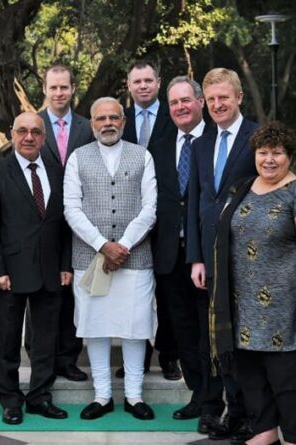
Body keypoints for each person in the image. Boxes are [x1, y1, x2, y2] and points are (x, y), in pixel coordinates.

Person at [210, 122, 296, 445]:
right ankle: (264, 432)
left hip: (283, 306)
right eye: (263, 152)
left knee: (286, 377)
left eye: (277, 153)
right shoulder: (244, 188)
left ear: (289, 155)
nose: (269, 159)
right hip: (242, 302)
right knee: (250, 370)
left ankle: (293, 438)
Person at [64, 97, 157, 421]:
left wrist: (124, 245)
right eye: (101, 118)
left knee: (136, 327)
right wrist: (103, 245)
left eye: (113, 117)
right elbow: (71, 208)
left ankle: (134, 396)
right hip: (90, 258)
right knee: (96, 326)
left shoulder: (142, 155)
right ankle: (102, 395)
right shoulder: (78, 158)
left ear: (124, 120)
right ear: (92, 124)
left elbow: (150, 208)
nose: (107, 123)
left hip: (136, 257)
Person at [185, 67, 259, 440]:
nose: (217, 105)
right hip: (209, 262)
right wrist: (196, 257)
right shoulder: (200, 144)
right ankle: (214, 409)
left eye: (223, 98)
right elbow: (196, 203)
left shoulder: (257, 138)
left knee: (241, 339)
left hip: (246, 259)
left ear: (239, 97)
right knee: (210, 339)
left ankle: (243, 413)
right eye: (211, 99)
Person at [0, 112, 72, 425]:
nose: (28, 137)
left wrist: (66, 264)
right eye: (22, 130)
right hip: (9, 271)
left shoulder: (57, 170)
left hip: (51, 269)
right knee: (6, 340)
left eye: (35, 131)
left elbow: (63, 222)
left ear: (44, 137)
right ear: (12, 134)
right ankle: (10, 400)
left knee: (46, 339)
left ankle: (39, 397)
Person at [149, 76, 215, 422]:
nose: (180, 108)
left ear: (200, 101)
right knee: (184, 330)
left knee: (210, 332)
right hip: (170, 257)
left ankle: (215, 399)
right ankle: (198, 395)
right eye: (174, 103)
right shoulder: (158, 148)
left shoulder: (218, 141)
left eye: (186, 100)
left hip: (209, 254)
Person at [33, 63, 94, 382]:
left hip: (78, 223)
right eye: (53, 87)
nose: (59, 93)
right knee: (42, 289)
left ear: (73, 90)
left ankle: (68, 357)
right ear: (45, 89)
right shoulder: (32, 125)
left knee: (72, 292)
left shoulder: (87, 127)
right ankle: (40, 355)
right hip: (40, 220)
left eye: (64, 87)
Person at [120, 59, 180, 380]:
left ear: (159, 82)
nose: (142, 86)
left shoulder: (175, 118)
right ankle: (137, 358)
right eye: (136, 81)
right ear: (128, 86)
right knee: (134, 294)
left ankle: (170, 355)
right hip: (130, 223)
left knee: (169, 294)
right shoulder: (121, 120)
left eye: (148, 80)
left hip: (168, 219)